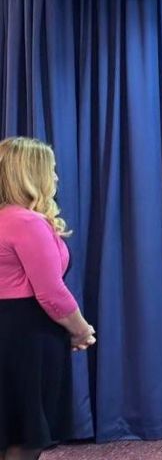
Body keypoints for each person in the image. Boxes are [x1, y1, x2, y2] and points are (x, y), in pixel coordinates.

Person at [0, 137, 95, 460]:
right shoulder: (26, 222)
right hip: (27, 332)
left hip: (11, 329)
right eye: (51, 170)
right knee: (27, 434)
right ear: (30, 174)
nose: (55, 177)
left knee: (11, 425)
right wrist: (81, 330)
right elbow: (51, 292)